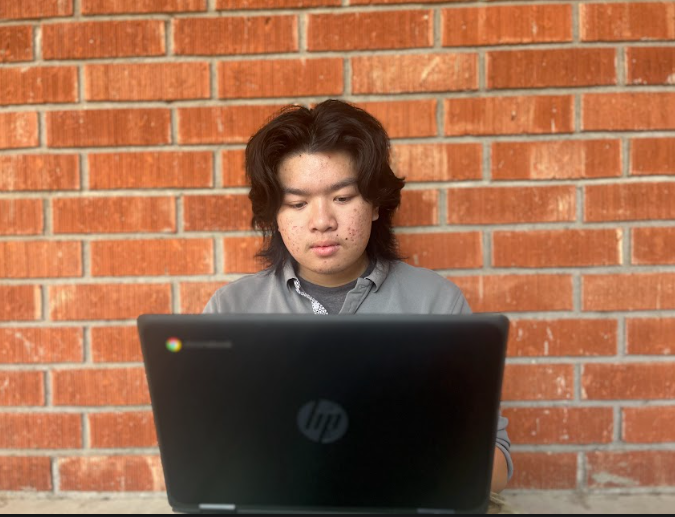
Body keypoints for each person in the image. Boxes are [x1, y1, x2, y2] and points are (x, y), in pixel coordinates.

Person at [203, 99, 514, 502]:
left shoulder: (435, 303)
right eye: (297, 204)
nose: (321, 221)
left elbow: (497, 469)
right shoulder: (232, 310)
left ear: (376, 205)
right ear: (274, 217)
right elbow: (204, 462)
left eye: (343, 198)